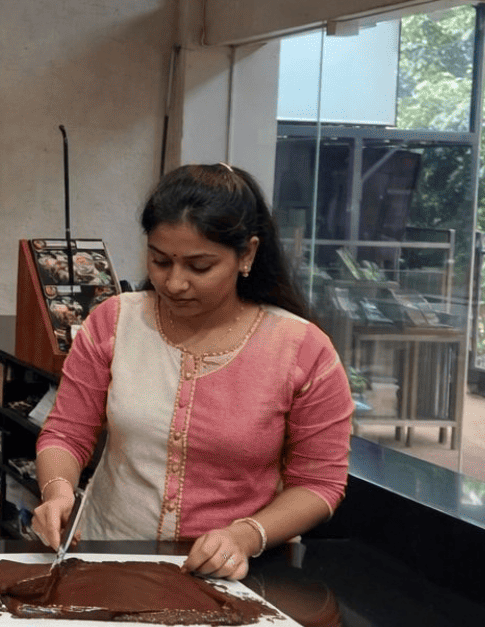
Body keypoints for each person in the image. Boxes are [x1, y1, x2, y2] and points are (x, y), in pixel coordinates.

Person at [32, 163, 353, 580]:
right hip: (111, 554)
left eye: (199, 267)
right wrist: (57, 491)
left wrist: (244, 535)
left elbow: (319, 482)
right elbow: (66, 432)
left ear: (247, 254)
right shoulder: (114, 322)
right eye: (160, 261)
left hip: (236, 574)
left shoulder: (303, 350)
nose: (174, 283)